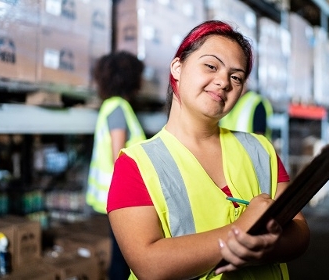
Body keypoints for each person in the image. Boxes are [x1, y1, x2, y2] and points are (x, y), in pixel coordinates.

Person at [107, 20, 310, 279]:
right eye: (211, 66)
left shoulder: (261, 150)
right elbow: (149, 264)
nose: (224, 82)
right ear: (177, 68)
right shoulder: (135, 165)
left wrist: (265, 248)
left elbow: (300, 230)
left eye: (236, 77)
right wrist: (240, 232)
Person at [86, 51, 146, 280]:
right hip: (124, 197)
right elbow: (118, 156)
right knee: (123, 259)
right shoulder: (118, 108)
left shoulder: (111, 106)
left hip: (118, 196)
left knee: (121, 256)